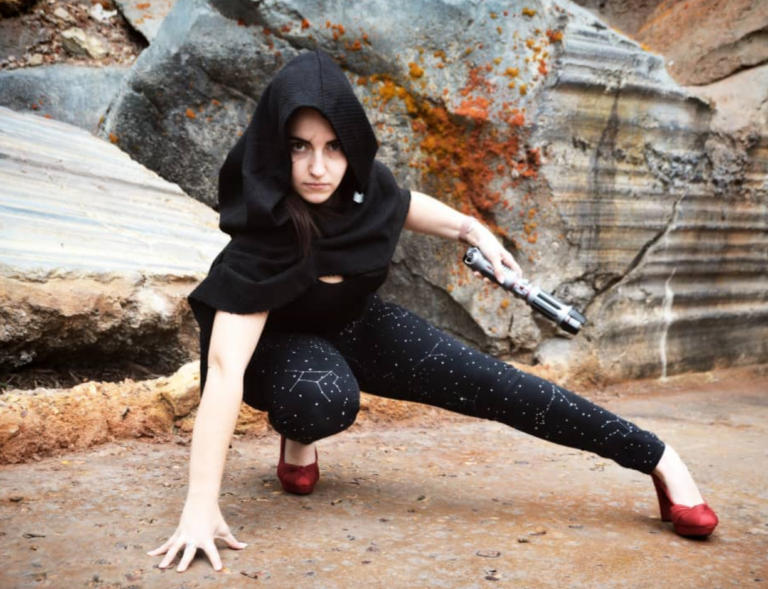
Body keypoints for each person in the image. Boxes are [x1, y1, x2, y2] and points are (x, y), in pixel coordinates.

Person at [147, 50, 718, 573]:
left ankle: (660, 461)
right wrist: (200, 508)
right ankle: (300, 436)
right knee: (322, 394)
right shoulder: (262, 237)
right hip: (278, 353)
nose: (318, 167)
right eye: (300, 147)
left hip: (354, 325)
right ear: (277, 148)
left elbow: (407, 205)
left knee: (496, 383)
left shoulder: (363, 193)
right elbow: (224, 372)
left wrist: (474, 230)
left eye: (333, 146)